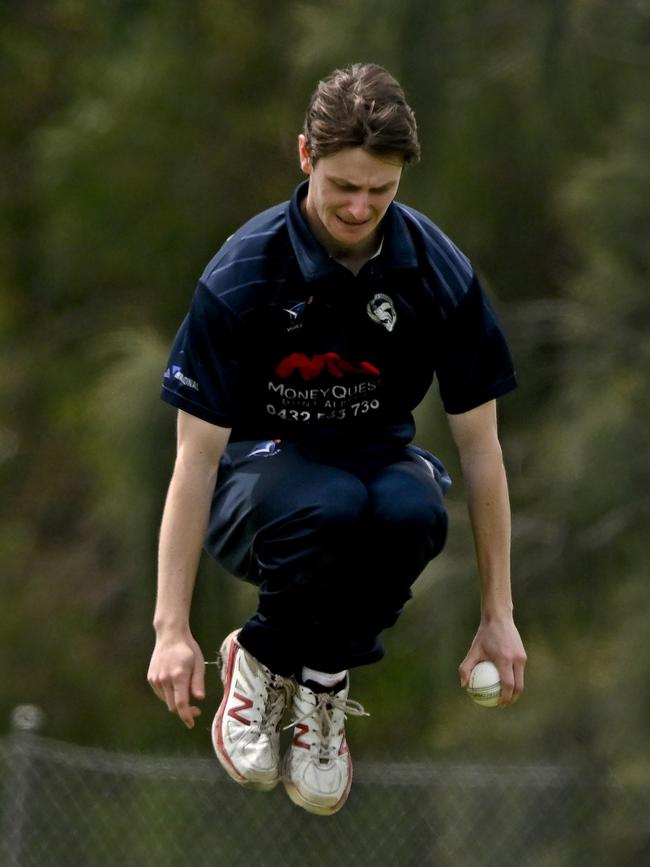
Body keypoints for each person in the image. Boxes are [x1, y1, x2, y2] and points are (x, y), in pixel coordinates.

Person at [147, 62, 527, 816]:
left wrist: (499, 614)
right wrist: (171, 628)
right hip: (254, 484)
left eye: (380, 192)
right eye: (342, 186)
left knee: (413, 508)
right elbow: (194, 460)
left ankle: (322, 679)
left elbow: (482, 451)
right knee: (327, 501)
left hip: (372, 462)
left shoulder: (438, 273)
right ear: (304, 158)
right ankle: (258, 657)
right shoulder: (243, 274)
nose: (359, 209)